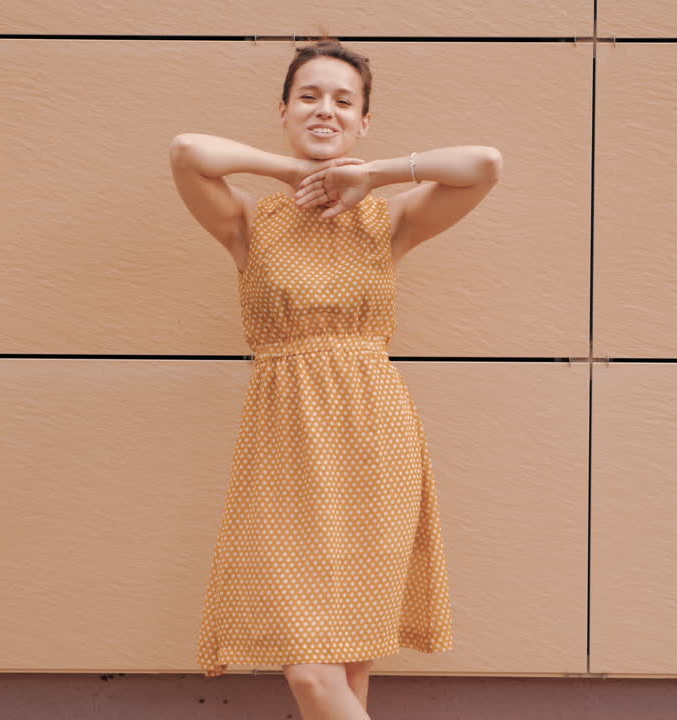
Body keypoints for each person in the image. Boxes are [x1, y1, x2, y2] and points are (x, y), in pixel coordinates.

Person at [168, 31, 501, 720]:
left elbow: (484, 165)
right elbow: (187, 151)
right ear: (284, 109)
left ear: (364, 120)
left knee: (350, 665)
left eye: (344, 101)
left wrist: (372, 175)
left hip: (373, 441)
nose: (326, 110)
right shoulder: (248, 222)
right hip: (284, 446)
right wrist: (293, 173)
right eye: (309, 96)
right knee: (313, 672)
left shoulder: (389, 221)